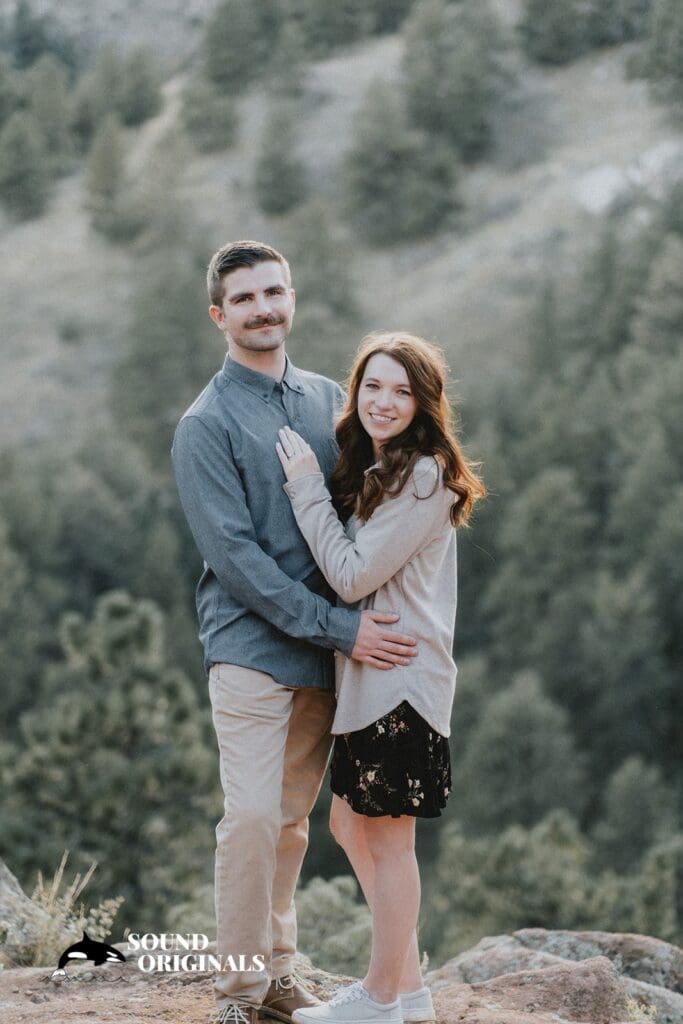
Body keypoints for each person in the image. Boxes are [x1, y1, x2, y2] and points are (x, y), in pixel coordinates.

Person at [171, 243, 420, 1024]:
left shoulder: (328, 401)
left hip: (325, 654)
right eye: (244, 299)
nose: (263, 308)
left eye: (273, 292)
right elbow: (235, 560)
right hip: (250, 648)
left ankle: (278, 979)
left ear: (291, 298)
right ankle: (238, 995)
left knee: (286, 824)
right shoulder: (205, 424)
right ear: (219, 315)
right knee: (249, 818)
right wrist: (338, 626)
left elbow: (369, 510)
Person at [274, 332, 485, 1024]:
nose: (384, 402)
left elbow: (351, 575)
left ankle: (379, 997)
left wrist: (305, 487)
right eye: (372, 386)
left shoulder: (423, 474)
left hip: (401, 685)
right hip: (373, 683)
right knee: (347, 822)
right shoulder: (386, 470)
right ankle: (409, 988)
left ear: (424, 404)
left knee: (389, 841)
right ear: (356, 391)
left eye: (401, 391)